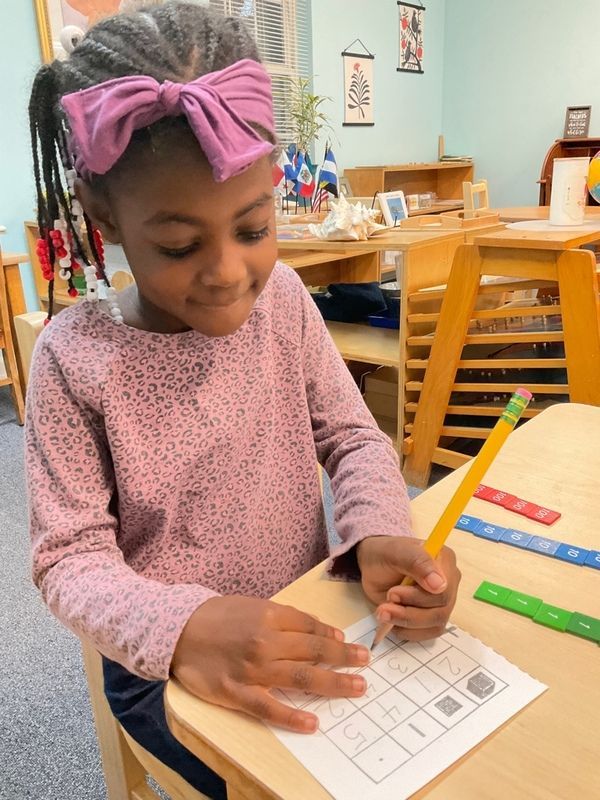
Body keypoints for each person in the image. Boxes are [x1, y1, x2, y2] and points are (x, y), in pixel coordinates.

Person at [25, 3, 461, 797]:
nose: (228, 272)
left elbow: (355, 441)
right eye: (181, 246)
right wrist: (182, 628)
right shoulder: (73, 359)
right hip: (164, 664)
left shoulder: (286, 301)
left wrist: (377, 533)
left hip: (307, 600)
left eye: (255, 227)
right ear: (104, 217)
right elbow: (67, 558)